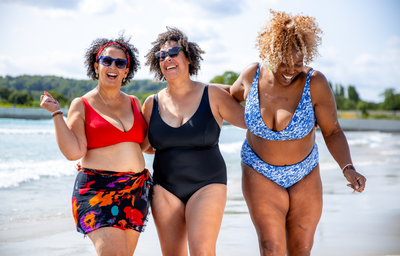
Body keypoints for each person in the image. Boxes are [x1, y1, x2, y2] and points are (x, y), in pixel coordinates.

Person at [230, 10, 367, 256]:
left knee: (301, 250)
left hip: (304, 172)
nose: (291, 70)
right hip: (258, 170)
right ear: (269, 53)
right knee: (271, 248)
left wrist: (348, 167)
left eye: (298, 63)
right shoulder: (252, 75)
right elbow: (226, 96)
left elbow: (333, 131)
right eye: (283, 62)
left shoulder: (315, 83)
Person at [39, 35, 152, 256]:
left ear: (126, 71)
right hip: (97, 190)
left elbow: (147, 145)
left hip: (136, 191)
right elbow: (74, 152)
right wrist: (56, 114)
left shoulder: (134, 102)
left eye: (120, 63)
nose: (113, 66)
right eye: (107, 60)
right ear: (96, 65)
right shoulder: (81, 104)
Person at [141, 27, 246, 256]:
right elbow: (146, 146)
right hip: (164, 188)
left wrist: (294, 117)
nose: (167, 59)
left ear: (188, 57)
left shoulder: (213, 95)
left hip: (207, 184)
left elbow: (254, 123)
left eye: (173, 53)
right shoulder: (151, 104)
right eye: (162, 56)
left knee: (202, 252)